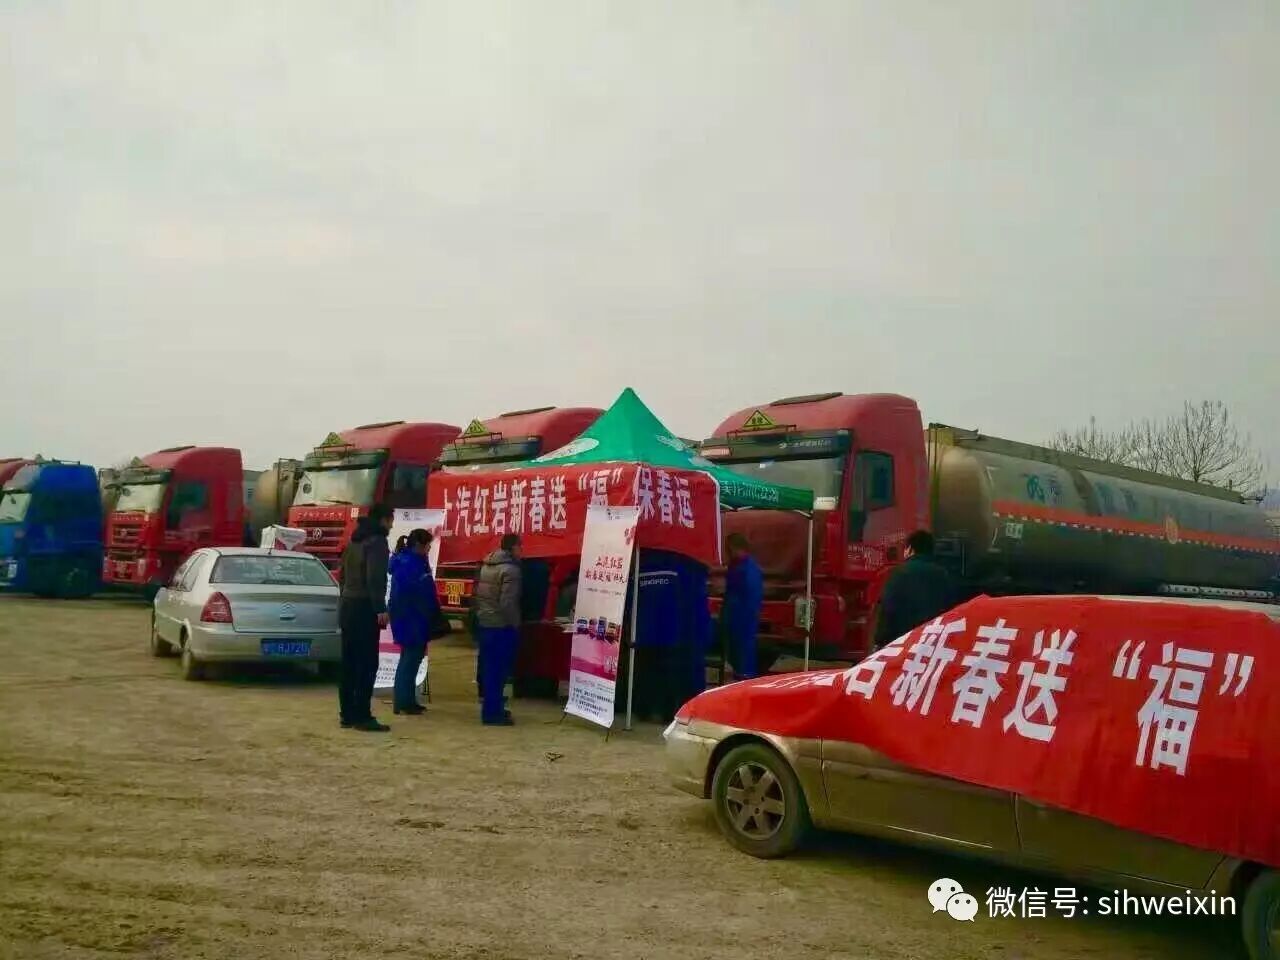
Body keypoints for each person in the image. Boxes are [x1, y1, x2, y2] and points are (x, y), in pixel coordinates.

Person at [338, 502, 394, 732]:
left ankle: (347, 714)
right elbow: (374, 578)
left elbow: (342, 575)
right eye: (391, 520)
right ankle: (362, 715)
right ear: (383, 520)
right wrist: (380, 608)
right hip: (364, 607)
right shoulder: (377, 541)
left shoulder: (354, 540)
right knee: (367, 663)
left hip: (348, 605)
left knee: (349, 663)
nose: (392, 526)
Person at [873, 530, 957, 649]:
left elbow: (888, 608)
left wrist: (879, 640)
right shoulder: (944, 574)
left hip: (904, 643)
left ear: (910, 549)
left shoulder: (899, 573)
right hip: (933, 643)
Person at [473, 533, 522, 726]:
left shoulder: (487, 565)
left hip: (485, 622)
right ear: (513, 547)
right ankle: (493, 714)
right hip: (501, 626)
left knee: (489, 669)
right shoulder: (511, 570)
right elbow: (507, 603)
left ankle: (493, 708)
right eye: (520, 546)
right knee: (498, 671)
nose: (522, 551)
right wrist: (514, 623)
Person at [388, 528, 439, 716]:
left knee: (410, 659)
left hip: (411, 617)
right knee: (410, 660)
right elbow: (415, 593)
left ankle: (406, 700)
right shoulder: (411, 563)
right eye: (427, 546)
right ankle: (403, 701)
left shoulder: (409, 561)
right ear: (419, 545)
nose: (429, 549)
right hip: (412, 617)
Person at [722, 533, 764, 680]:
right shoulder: (736, 566)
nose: (728, 552)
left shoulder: (748, 569)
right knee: (736, 651)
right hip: (735, 616)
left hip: (743, 617)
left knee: (744, 650)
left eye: (730, 549)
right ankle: (740, 675)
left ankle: (745, 677)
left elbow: (751, 597)